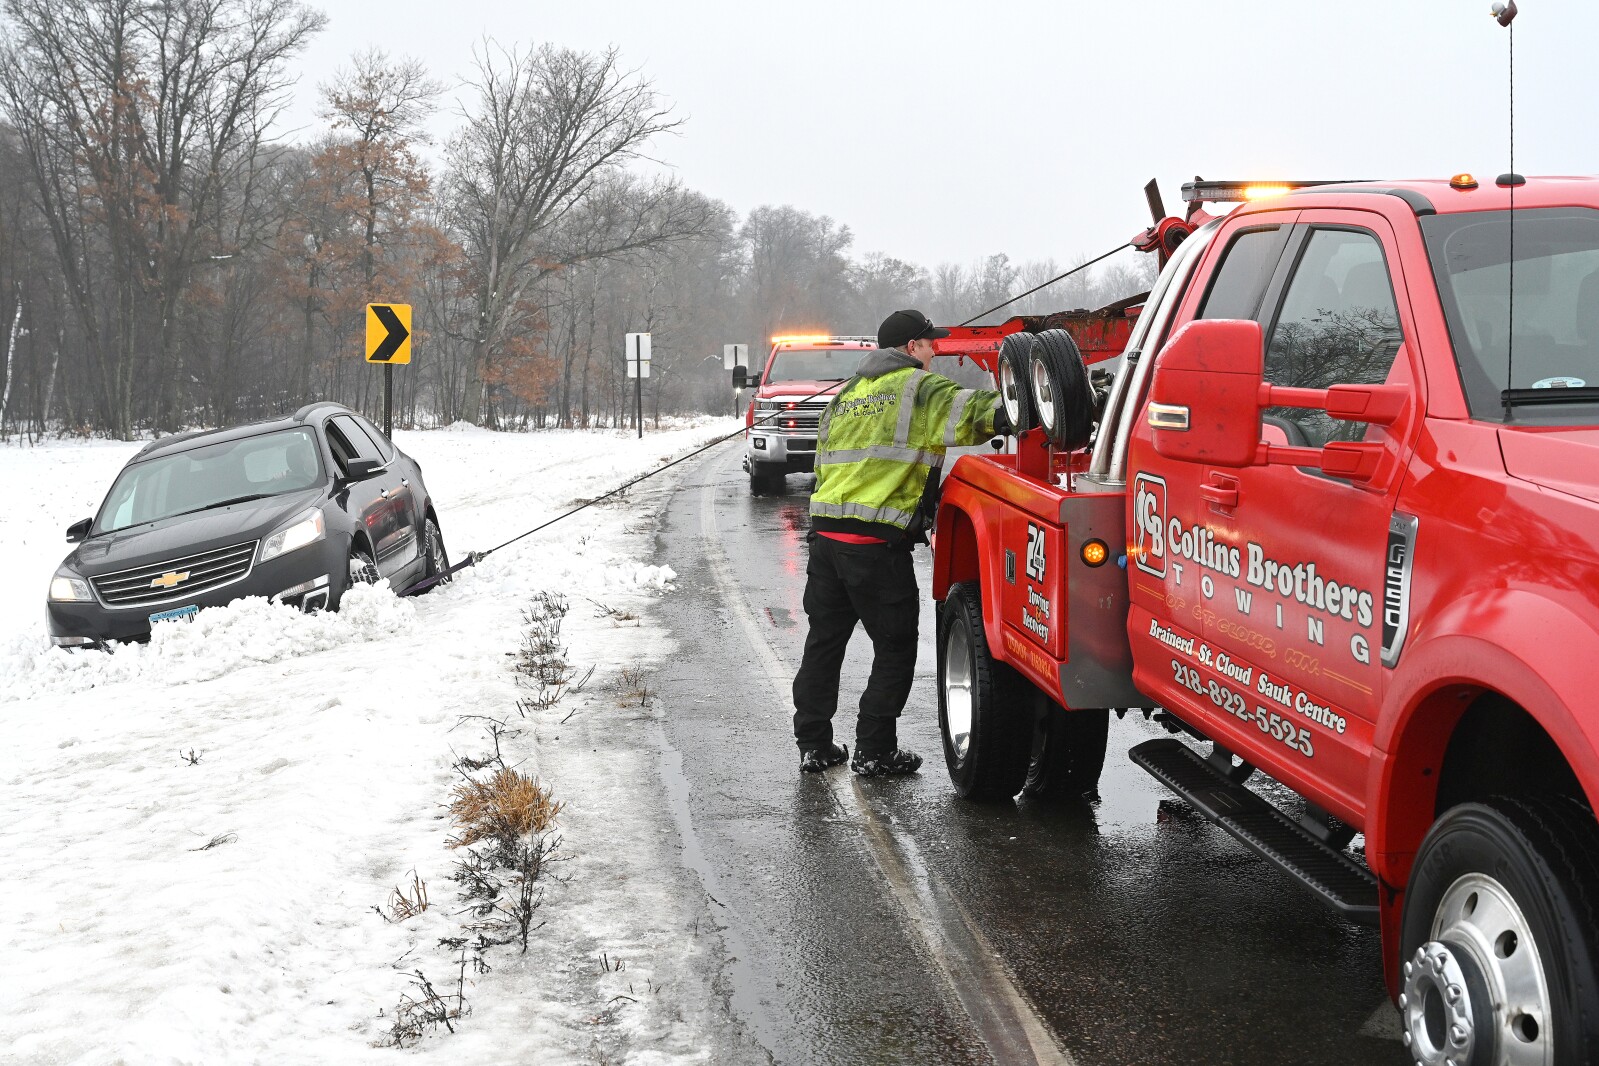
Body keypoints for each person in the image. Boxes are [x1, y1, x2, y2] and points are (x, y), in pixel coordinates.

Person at [793, 309, 1011, 776]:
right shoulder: (919, 389)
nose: (935, 353)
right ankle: (874, 750)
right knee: (895, 646)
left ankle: (813, 744)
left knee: (824, 644)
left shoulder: (845, 396)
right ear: (912, 347)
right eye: (931, 344)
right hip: (874, 548)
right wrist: (1043, 397)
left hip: (826, 542)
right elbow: (979, 414)